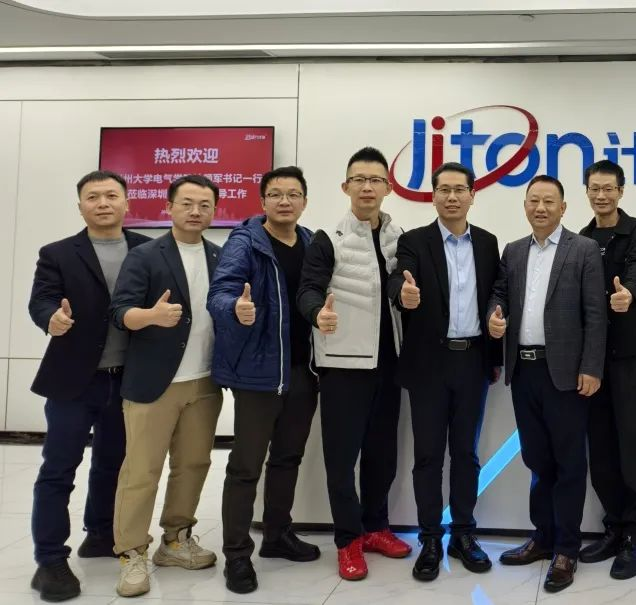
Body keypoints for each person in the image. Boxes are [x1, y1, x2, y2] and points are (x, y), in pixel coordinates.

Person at [28, 171, 151, 602]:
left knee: (113, 464)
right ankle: (49, 560)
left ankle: (100, 534)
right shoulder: (58, 253)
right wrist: (51, 318)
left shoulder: (148, 249)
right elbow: (41, 298)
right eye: (93, 196)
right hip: (73, 381)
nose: (102, 203)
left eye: (111, 195)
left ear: (127, 203)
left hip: (128, 379)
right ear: (80, 206)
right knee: (59, 469)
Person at [487, 175, 606, 593]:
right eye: (533, 200)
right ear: (525, 205)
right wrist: (495, 314)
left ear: (563, 207)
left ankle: (567, 549)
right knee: (538, 461)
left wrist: (591, 367)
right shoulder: (514, 250)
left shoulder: (583, 249)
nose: (540, 208)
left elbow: (596, 314)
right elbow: (500, 294)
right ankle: (543, 538)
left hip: (567, 373)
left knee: (569, 463)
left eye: (549, 201)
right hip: (525, 371)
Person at [296, 147, 410, 582]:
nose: (367, 187)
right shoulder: (328, 238)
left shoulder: (400, 237)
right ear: (346, 187)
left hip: (389, 363)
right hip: (343, 365)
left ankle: (376, 527)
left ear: (388, 187)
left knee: (382, 455)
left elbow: (401, 281)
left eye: (375, 180)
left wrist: (405, 294)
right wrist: (316, 314)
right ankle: (347, 540)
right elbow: (308, 288)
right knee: (342, 460)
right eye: (359, 180)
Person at [109, 174, 225, 597]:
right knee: (141, 471)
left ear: (215, 211)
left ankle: (175, 540)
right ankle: (131, 552)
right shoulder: (145, 256)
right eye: (187, 203)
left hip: (205, 381)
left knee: (193, 464)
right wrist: (150, 317)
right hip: (154, 383)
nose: (196, 211)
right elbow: (120, 311)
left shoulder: (220, 256)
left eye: (205, 205)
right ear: (169, 207)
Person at [208, 166, 321, 594]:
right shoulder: (246, 242)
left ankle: (276, 535)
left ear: (305, 201)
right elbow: (220, 291)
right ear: (262, 201)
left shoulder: (311, 242)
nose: (284, 201)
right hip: (258, 372)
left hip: (303, 369)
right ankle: (237, 554)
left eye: (293, 194)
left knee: (288, 457)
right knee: (245, 465)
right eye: (275, 194)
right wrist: (234, 308)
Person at [388, 162, 502, 582]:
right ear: (433, 196)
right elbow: (396, 281)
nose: (452, 197)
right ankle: (431, 538)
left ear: (473, 195)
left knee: (466, 454)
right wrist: (403, 294)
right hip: (428, 365)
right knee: (428, 455)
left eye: (460, 190)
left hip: (472, 360)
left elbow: (496, 295)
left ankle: (464, 533)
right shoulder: (414, 241)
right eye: (444, 190)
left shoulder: (488, 243)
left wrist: (496, 340)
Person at [576, 160, 636, 580]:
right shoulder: (581, 238)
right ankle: (612, 528)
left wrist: (631, 294)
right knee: (602, 450)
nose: (601, 195)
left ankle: (635, 536)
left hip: (630, 360)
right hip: (592, 363)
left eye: (609, 188)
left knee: (632, 448)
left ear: (621, 191)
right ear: (587, 192)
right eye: (595, 188)